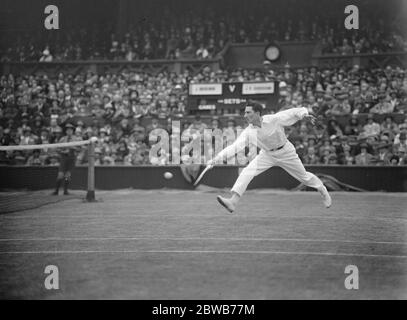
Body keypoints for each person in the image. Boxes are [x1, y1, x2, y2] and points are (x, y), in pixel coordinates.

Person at [207, 101, 332, 213]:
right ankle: (233, 201)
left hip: (286, 152)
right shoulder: (248, 132)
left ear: (257, 113)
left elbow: (295, 112)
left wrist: (304, 115)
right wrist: (216, 159)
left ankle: (322, 189)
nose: (245, 115)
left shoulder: (274, 119)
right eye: (245, 113)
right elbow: (235, 147)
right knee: (247, 172)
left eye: (248, 112)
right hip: (267, 154)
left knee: (304, 177)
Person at [52, 123, 81, 195]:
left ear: (73, 131)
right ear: (65, 131)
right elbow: (57, 149)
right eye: (67, 130)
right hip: (64, 158)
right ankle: (56, 190)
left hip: (72, 158)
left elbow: (79, 149)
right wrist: (63, 151)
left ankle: (65, 190)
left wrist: (72, 148)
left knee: (68, 175)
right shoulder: (62, 139)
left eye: (70, 130)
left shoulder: (77, 139)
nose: (69, 131)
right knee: (60, 175)